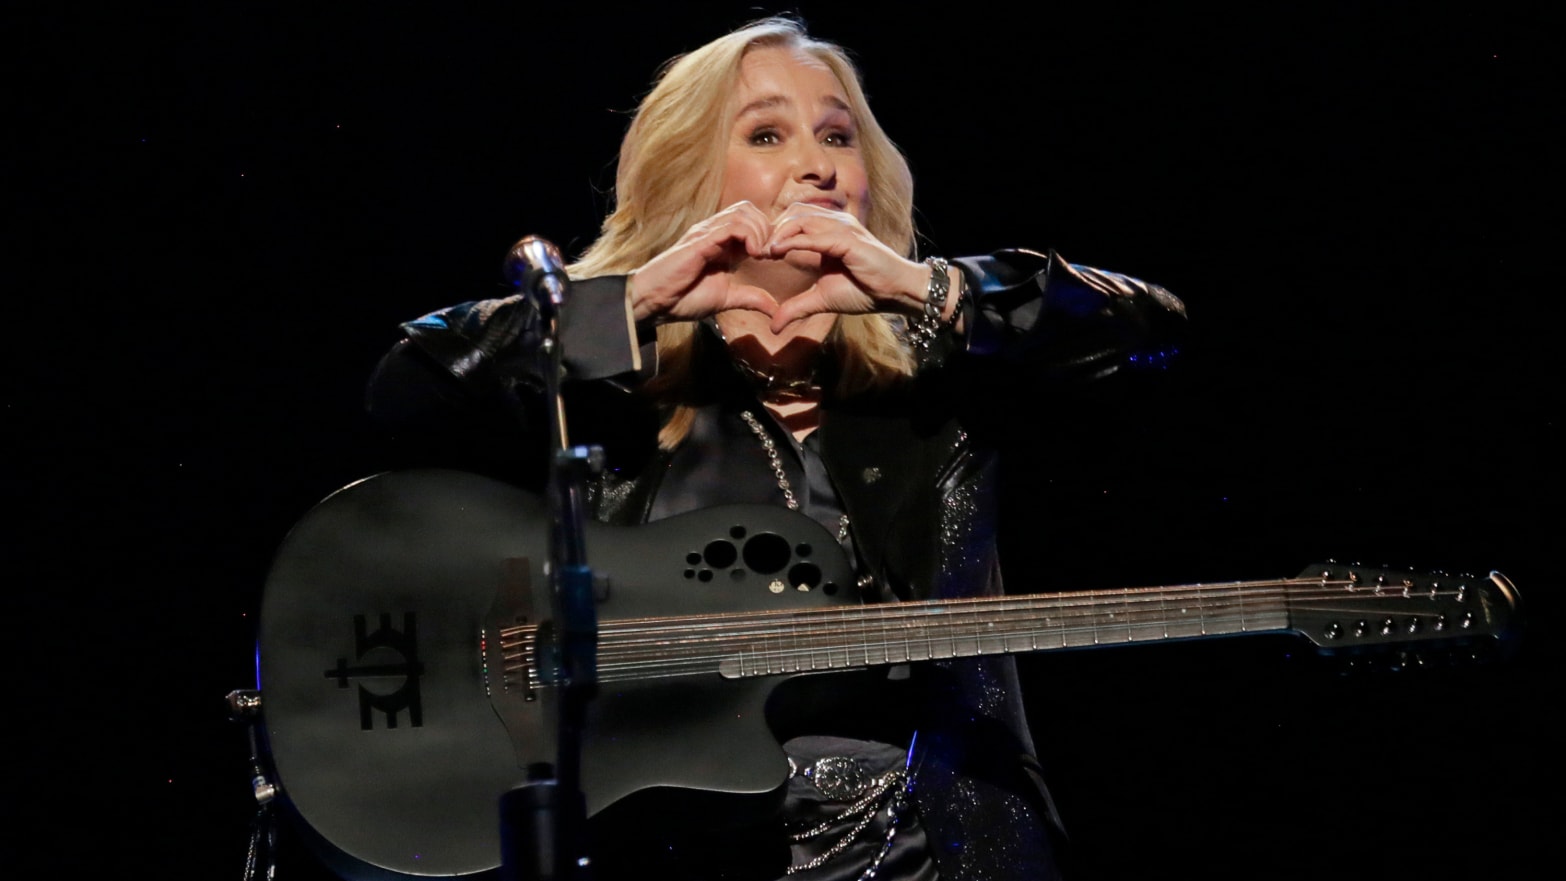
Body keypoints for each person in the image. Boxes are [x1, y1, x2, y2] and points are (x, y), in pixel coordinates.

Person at [364, 15, 1186, 881]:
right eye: (767, 133)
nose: (818, 164)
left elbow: (1153, 333)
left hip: (940, 852)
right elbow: (406, 390)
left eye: (839, 135)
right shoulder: (610, 393)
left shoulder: (942, 379)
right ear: (692, 181)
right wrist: (627, 305)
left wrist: (922, 287)